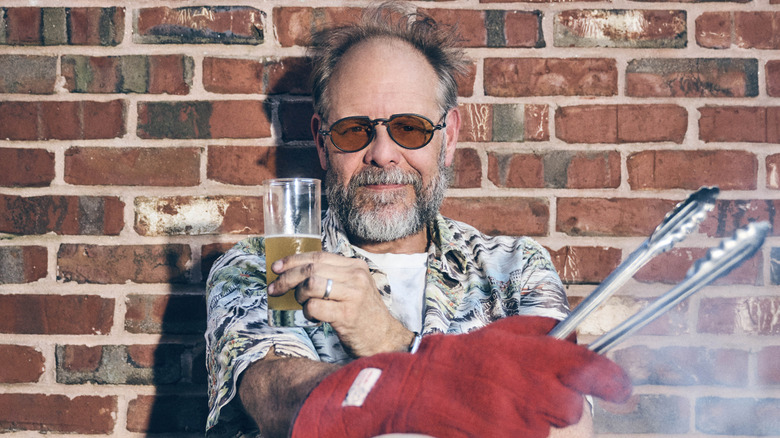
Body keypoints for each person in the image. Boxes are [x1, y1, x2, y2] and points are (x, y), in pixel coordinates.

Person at [204, 3, 631, 438]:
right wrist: (462, 384)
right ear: (321, 141)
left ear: (448, 140)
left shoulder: (515, 271)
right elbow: (277, 401)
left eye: (410, 129)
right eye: (354, 130)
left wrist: (387, 338)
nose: (383, 154)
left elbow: (568, 428)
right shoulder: (262, 266)